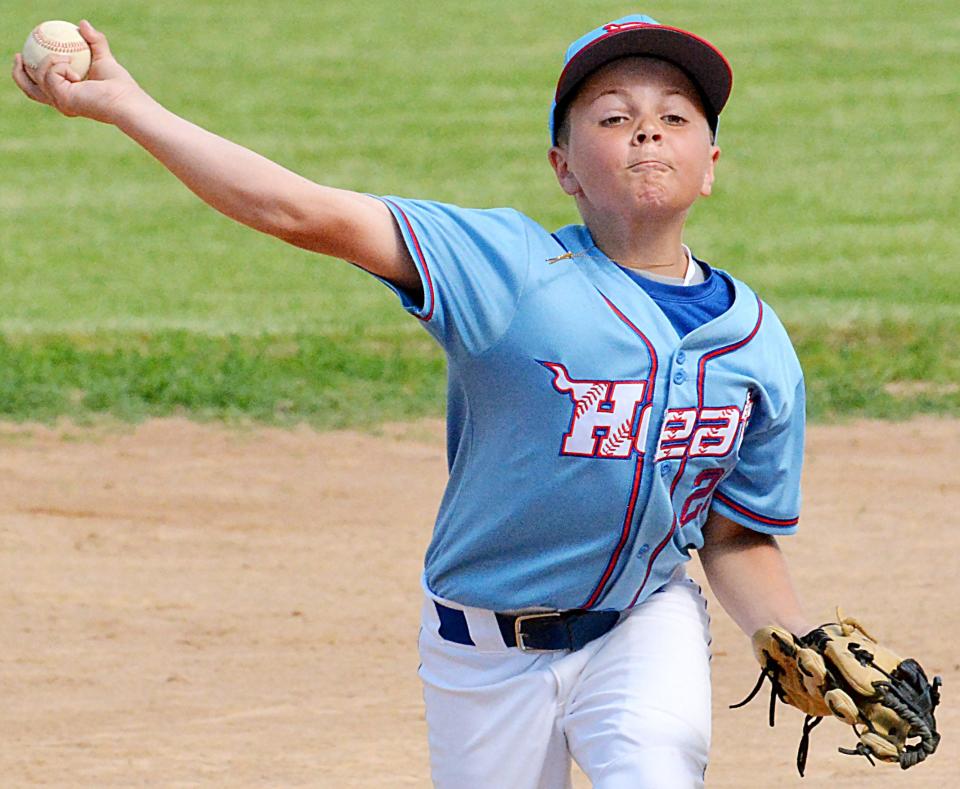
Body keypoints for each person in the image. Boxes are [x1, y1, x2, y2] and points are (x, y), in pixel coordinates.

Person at [14, 14, 815, 788]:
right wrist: (128, 107)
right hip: (482, 648)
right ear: (562, 165)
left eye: (674, 116)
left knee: (656, 763)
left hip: (645, 622)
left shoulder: (756, 346)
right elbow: (298, 210)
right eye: (613, 116)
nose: (646, 131)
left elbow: (734, 534)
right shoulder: (506, 269)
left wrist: (790, 635)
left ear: (709, 163)